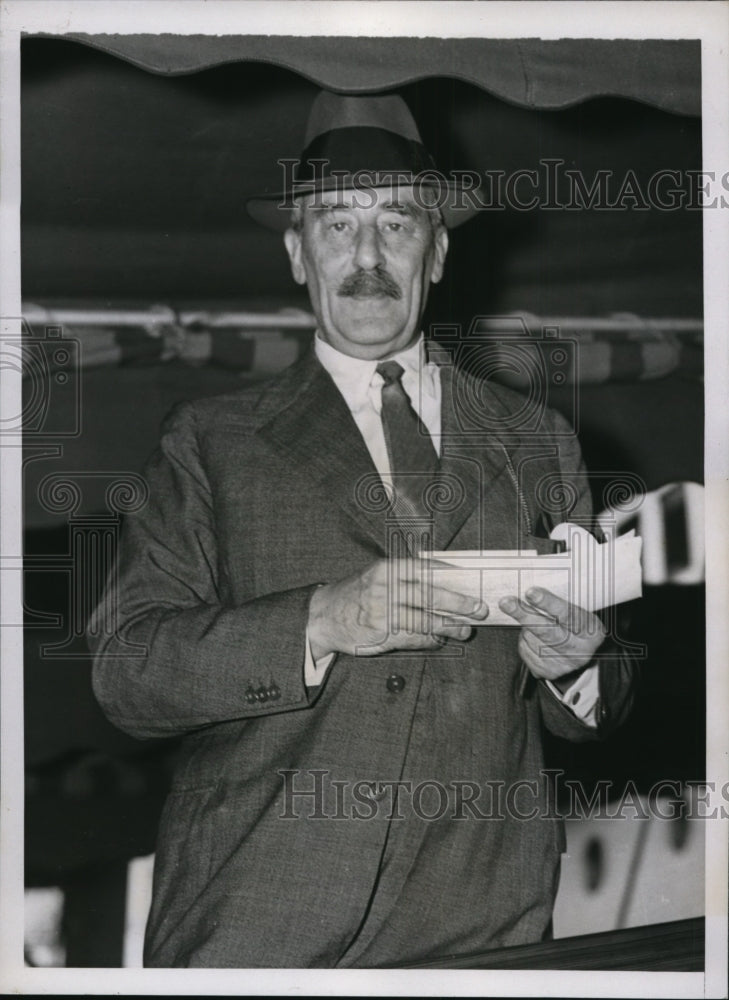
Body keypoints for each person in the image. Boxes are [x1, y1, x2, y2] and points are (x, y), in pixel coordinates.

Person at [89, 91, 635, 968]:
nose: (369, 257)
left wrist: (577, 668)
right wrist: (320, 620)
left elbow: (601, 690)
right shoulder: (208, 440)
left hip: (478, 921)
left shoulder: (539, 440)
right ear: (297, 255)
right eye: (337, 226)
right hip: (256, 919)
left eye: (398, 223)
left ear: (441, 249)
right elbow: (128, 672)